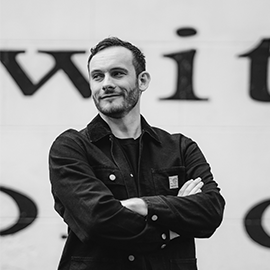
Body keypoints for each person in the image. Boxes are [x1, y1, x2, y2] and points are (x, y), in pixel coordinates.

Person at [49, 37, 225, 270]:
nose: (106, 84)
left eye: (118, 74)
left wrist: (141, 206)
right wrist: (170, 228)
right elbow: (97, 221)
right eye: (97, 76)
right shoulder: (71, 148)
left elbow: (210, 211)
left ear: (142, 80)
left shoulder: (180, 148)